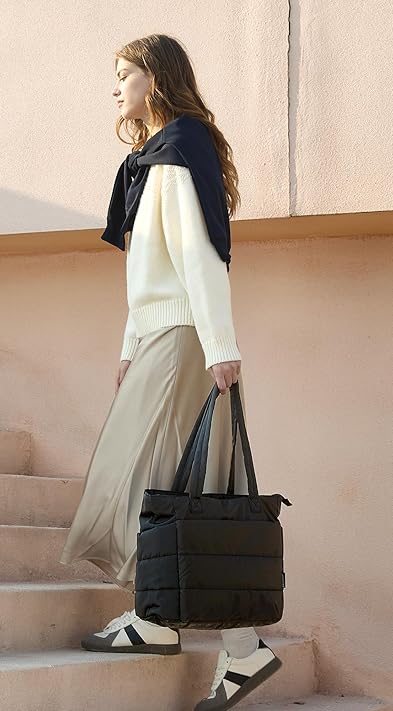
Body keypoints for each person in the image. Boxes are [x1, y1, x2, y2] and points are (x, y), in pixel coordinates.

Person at [59, 34, 282, 711]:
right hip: (163, 334)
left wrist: (220, 345)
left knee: (142, 478)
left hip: (185, 337)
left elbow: (197, 254)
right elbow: (148, 271)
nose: (116, 87)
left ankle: (170, 625)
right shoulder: (156, 156)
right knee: (169, 484)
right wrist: (130, 343)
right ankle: (214, 639)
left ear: (154, 79)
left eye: (124, 73)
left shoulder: (182, 148)